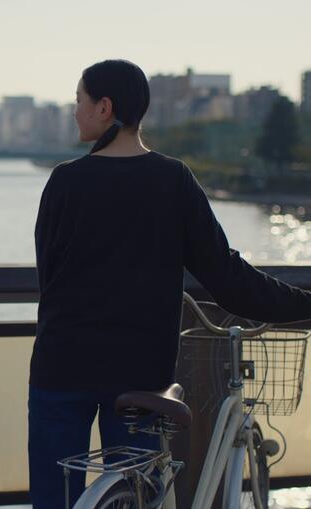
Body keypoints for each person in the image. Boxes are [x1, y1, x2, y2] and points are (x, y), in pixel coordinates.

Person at [28, 59, 311, 508]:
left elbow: (51, 278)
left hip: (61, 367)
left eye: (79, 100)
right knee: (141, 495)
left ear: (105, 107)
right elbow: (228, 279)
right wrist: (303, 304)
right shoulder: (172, 180)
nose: (74, 109)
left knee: (54, 498)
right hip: (138, 375)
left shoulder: (65, 182)